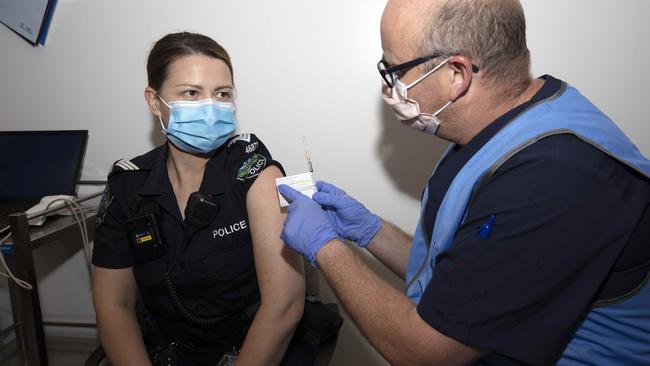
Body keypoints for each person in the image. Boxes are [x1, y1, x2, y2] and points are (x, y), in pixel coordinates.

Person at [278, 0, 650, 365]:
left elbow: (426, 351)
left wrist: (326, 247)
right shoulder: (498, 128)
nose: (390, 85)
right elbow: (468, 280)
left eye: (395, 69)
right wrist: (371, 231)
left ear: (456, 74)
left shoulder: (554, 174)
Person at [92, 32, 309, 366]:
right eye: (191, 93)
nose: (211, 107)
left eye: (221, 94)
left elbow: (284, 306)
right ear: (154, 101)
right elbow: (113, 305)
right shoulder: (128, 185)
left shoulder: (254, 173)